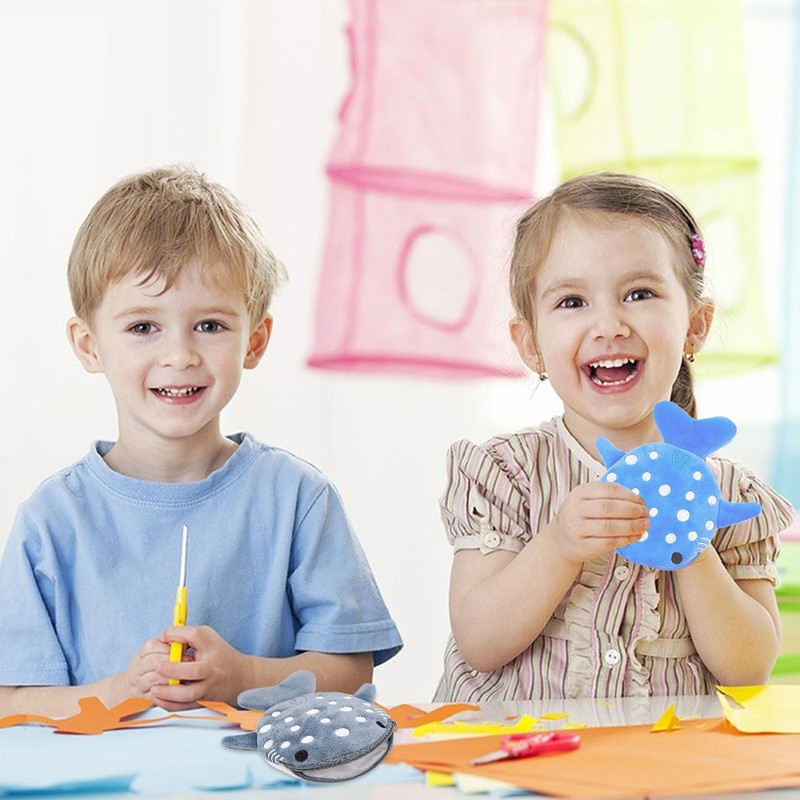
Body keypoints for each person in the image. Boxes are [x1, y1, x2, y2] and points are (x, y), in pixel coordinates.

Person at [0, 166, 402, 716]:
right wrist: (120, 692)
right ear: (89, 346)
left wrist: (243, 676)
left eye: (210, 325)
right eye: (143, 327)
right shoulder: (51, 521)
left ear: (254, 340)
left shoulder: (298, 498)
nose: (180, 355)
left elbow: (351, 671)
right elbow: (13, 703)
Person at [434, 172, 794, 702]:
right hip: (515, 757)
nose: (609, 325)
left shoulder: (732, 494)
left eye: (639, 293)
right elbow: (480, 642)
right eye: (572, 302)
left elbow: (748, 671)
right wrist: (558, 546)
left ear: (695, 326)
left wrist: (691, 546)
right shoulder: (504, 472)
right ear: (530, 344)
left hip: (660, 762)